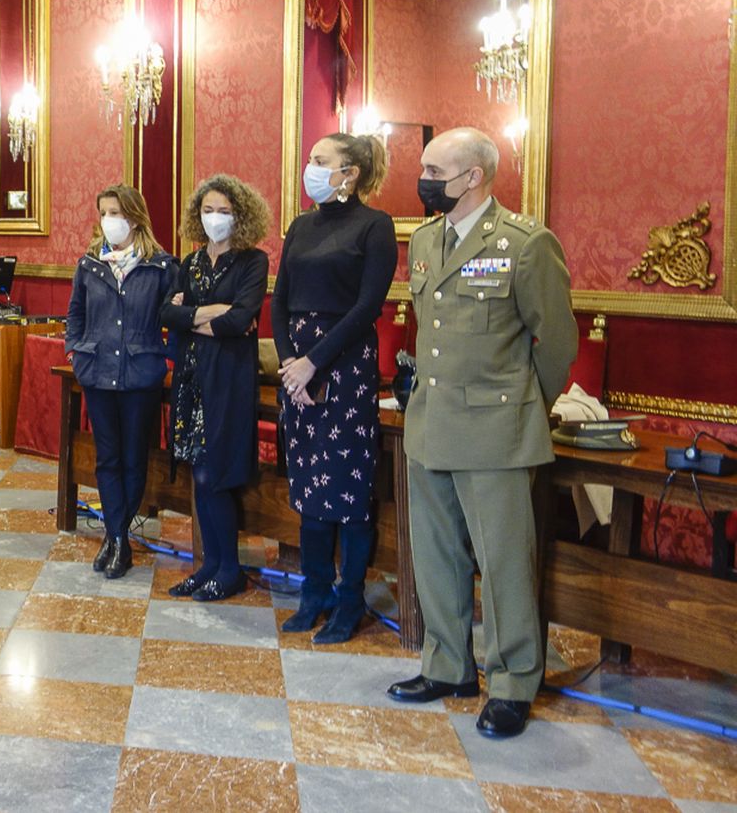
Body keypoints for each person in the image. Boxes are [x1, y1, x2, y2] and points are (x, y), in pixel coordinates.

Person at [386, 127, 576, 739]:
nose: (424, 179)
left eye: (435, 169)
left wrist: (524, 406)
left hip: (497, 431)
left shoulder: (525, 243)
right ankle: (448, 666)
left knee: (503, 565)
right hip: (432, 424)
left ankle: (514, 681)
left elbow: (558, 343)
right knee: (435, 557)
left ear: (472, 177)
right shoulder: (425, 240)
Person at [273, 132, 399, 644]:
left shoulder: (375, 226)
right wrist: (289, 364)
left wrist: (314, 364)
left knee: (346, 488)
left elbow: (368, 306)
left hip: (344, 361)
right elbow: (279, 300)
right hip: (296, 364)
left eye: (321, 161)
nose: (310, 167)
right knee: (306, 483)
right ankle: (314, 593)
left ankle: (350, 601)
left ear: (350, 172)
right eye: (310, 159)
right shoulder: (301, 225)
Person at [162, 176, 271, 601]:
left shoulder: (252, 261)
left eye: (223, 210)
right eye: (208, 210)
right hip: (190, 379)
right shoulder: (189, 263)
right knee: (198, 474)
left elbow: (240, 320)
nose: (214, 218)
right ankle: (209, 563)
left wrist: (190, 315)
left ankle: (230, 569)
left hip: (227, 381)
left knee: (217, 474)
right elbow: (165, 316)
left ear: (239, 215)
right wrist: (205, 315)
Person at [65, 184, 178, 580]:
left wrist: (168, 358)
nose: (108, 220)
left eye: (115, 212)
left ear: (133, 216)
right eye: (103, 212)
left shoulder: (161, 266)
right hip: (97, 373)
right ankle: (118, 539)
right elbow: (75, 313)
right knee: (107, 458)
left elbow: (175, 321)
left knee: (134, 458)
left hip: (140, 374)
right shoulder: (89, 264)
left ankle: (116, 536)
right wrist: (75, 351)